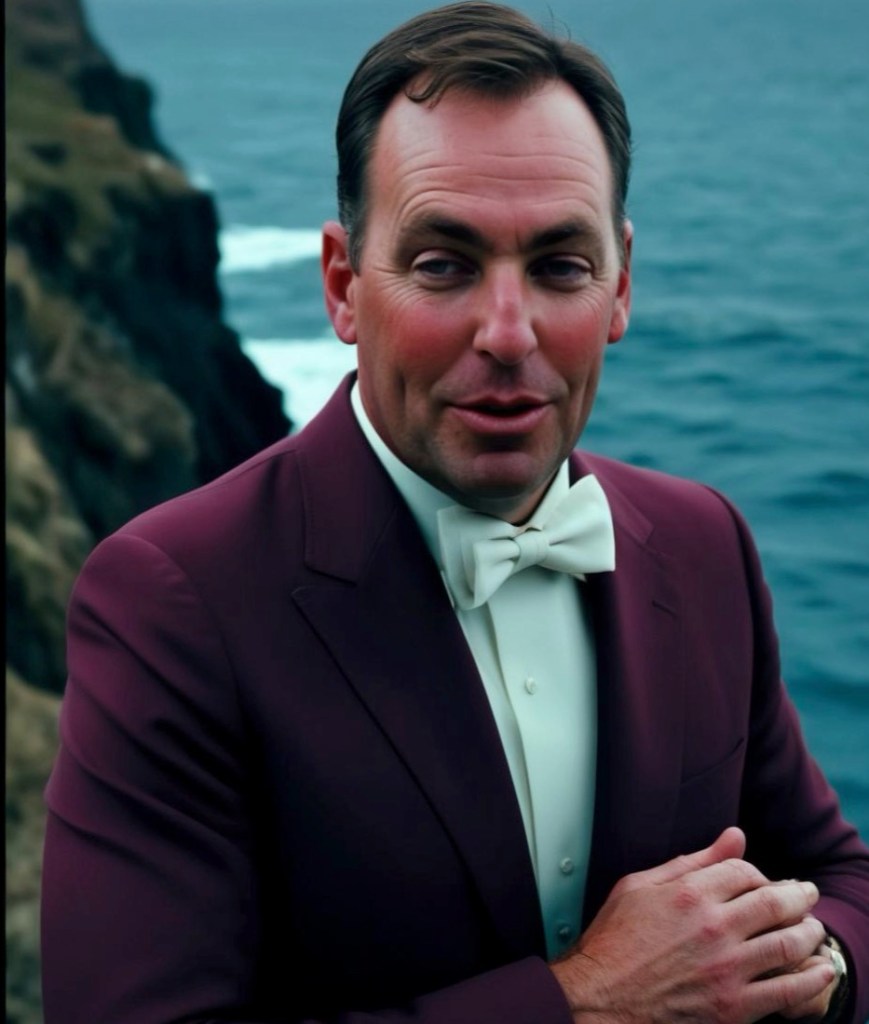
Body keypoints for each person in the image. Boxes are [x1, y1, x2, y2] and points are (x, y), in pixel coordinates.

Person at [41, 3, 869, 1023]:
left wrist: (817, 969)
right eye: (443, 264)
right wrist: (586, 1002)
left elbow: (838, 873)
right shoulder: (170, 599)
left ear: (619, 287)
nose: (507, 332)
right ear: (342, 286)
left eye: (559, 266)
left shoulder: (704, 541)